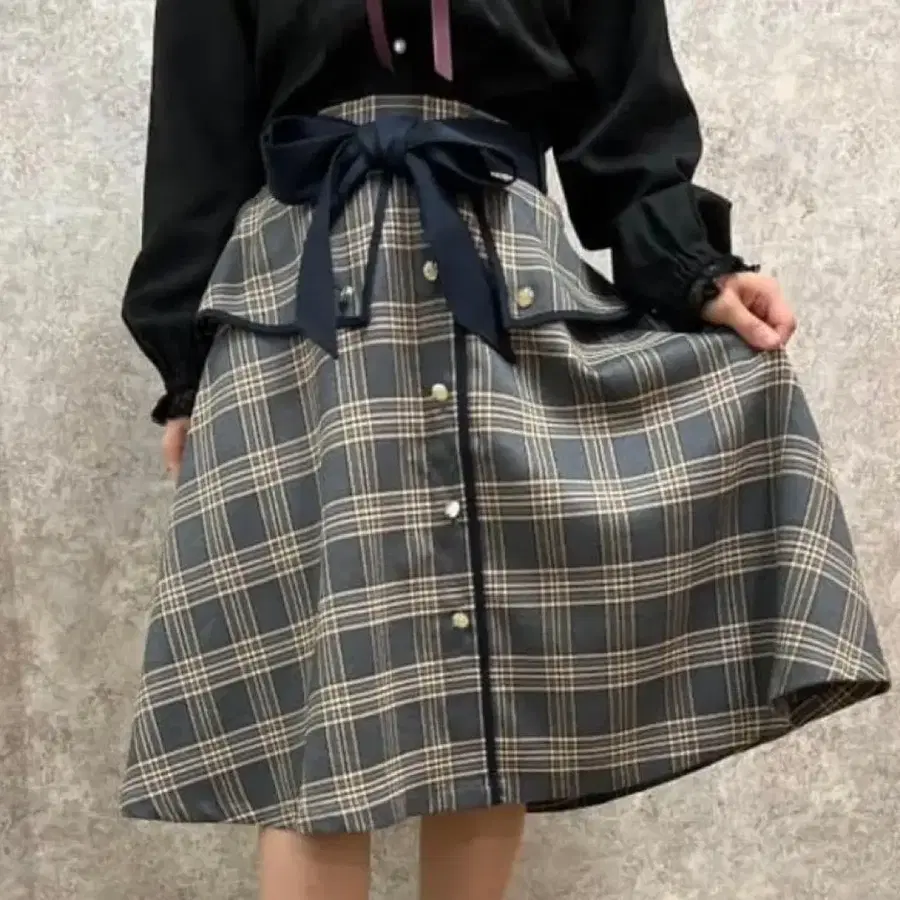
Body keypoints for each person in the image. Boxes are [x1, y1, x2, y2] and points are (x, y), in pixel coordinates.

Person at [118, 1, 890, 898]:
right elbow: (197, 134)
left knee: (489, 681)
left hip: (501, 281)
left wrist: (696, 271)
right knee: (318, 703)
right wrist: (187, 372)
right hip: (300, 307)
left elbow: (624, 115)